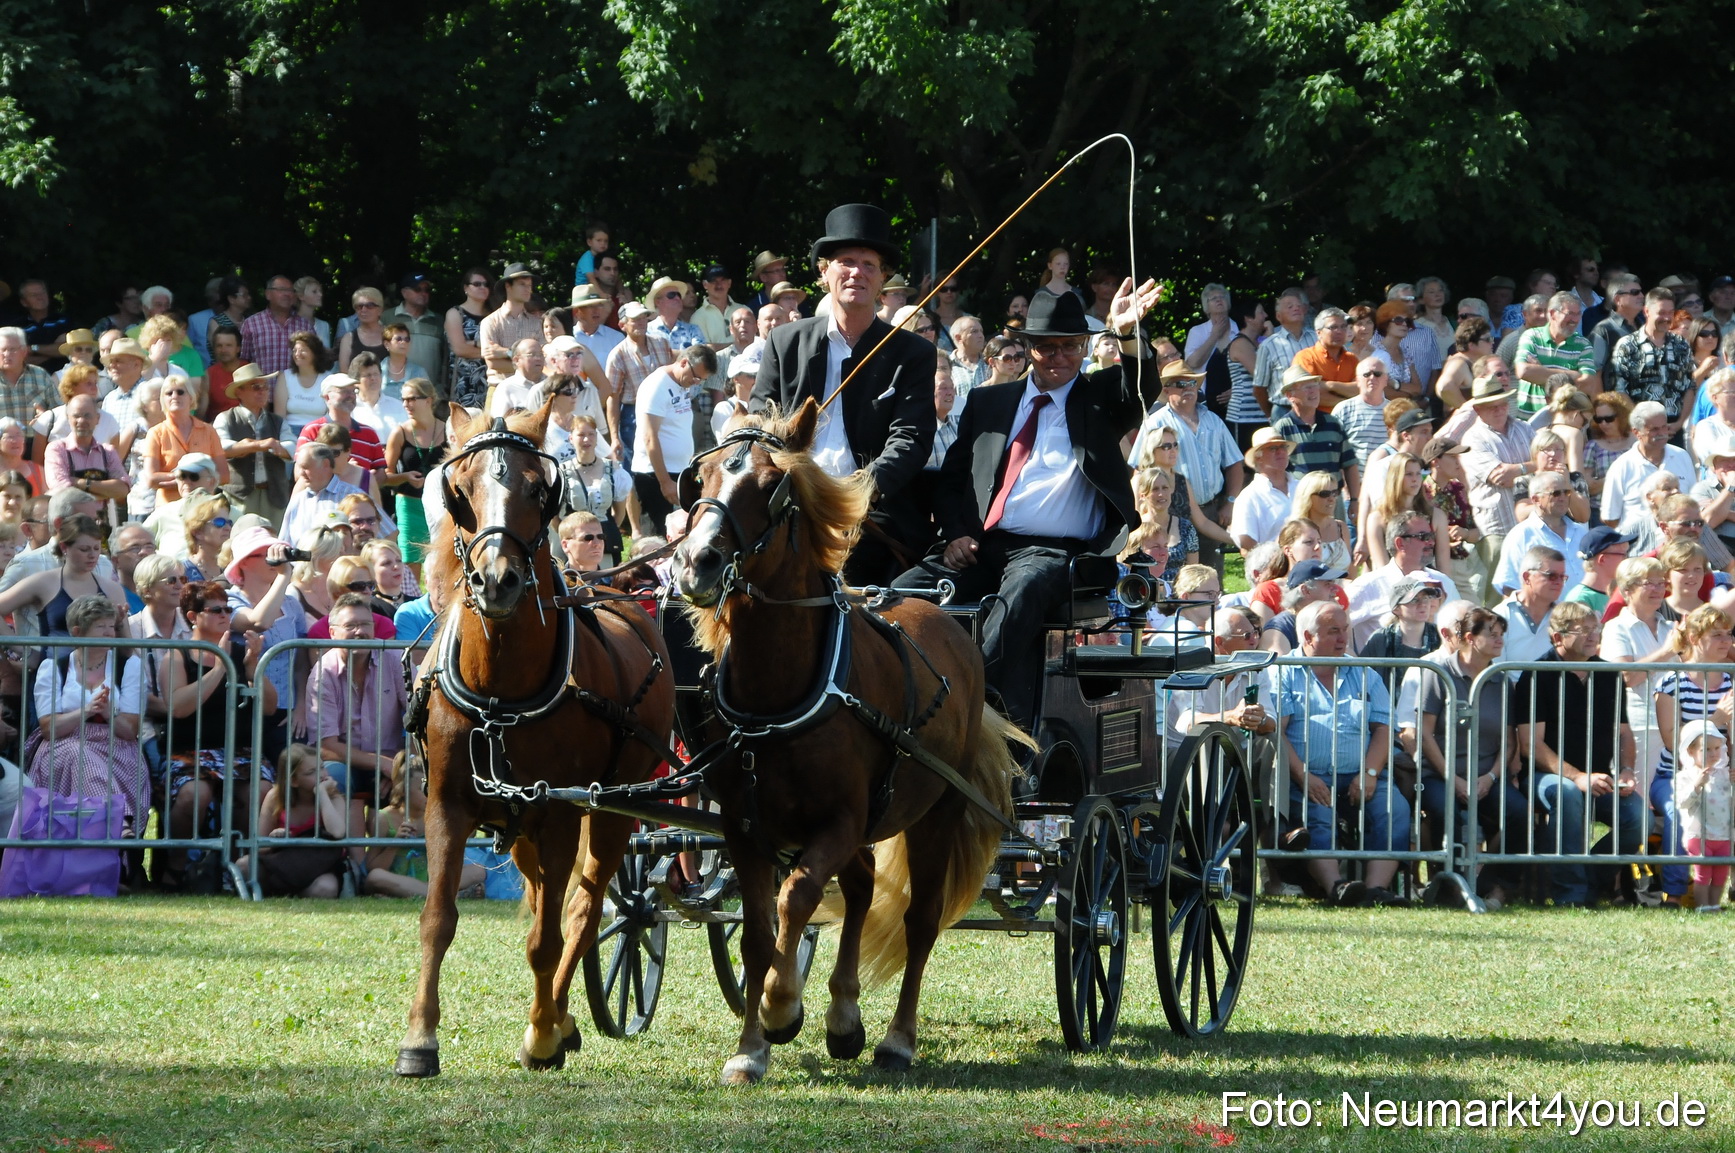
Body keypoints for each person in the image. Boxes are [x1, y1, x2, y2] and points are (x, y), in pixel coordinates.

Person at [897, 276, 1161, 726]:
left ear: (1083, 347)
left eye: (1071, 347)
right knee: (897, 593)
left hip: (1055, 554)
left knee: (1023, 588)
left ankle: (964, 700)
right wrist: (957, 533)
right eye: (1047, 348)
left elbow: (1141, 386)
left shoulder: (1099, 398)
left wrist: (1124, 332)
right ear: (1028, 349)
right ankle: (889, 693)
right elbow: (952, 480)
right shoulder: (988, 400)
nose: (1060, 357)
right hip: (982, 544)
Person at [754, 204, 954, 585]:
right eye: (846, 261)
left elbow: (910, 439)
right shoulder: (784, 341)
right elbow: (761, 421)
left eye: (868, 264)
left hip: (869, 511)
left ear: (882, 279)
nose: (856, 273)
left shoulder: (912, 352)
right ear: (823, 272)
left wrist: (857, 491)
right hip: (790, 500)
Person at [1271, 601, 1411, 907]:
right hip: (1305, 775)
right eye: (1333, 631)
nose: (1342, 638)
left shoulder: (1364, 672)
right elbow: (1275, 732)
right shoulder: (1282, 673)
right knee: (1317, 816)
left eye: (1345, 630)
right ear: (1307, 637)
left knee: (1394, 809)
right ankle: (1337, 888)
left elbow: (1384, 728)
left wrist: (1370, 773)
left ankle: (1374, 892)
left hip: (1361, 772)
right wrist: (1302, 775)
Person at [1510, 601, 1646, 907]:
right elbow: (1531, 744)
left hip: (1599, 777)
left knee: (1637, 817)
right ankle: (1570, 894)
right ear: (1557, 637)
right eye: (1582, 630)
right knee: (1568, 793)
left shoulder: (1608, 674)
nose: (1592, 635)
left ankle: (1591, 881)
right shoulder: (1537, 674)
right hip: (1545, 776)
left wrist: (1626, 770)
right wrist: (1578, 776)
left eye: (1595, 628)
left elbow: (1623, 733)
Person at [160, 580, 274, 876]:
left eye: (227, 608)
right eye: (215, 609)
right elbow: (178, 707)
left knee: (261, 791)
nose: (225, 614)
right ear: (192, 617)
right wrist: (220, 667)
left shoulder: (239, 653)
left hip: (239, 751)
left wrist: (253, 669)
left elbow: (270, 707)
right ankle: (174, 870)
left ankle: (236, 867)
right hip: (188, 750)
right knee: (193, 795)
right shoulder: (177, 655)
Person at [27, 596, 147, 832]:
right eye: (100, 627)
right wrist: (87, 711)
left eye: (111, 626)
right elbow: (50, 729)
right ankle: (119, 821)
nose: (109, 633)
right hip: (63, 744)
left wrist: (108, 713)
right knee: (78, 753)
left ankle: (115, 829)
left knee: (87, 759)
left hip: (116, 747)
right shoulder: (53, 668)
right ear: (77, 631)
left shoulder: (129, 666)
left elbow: (130, 731)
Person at [308, 593, 409, 857]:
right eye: (351, 626)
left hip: (392, 759)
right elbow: (326, 746)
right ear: (332, 632)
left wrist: (401, 766)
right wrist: (382, 765)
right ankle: (356, 868)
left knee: (419, 776)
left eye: (366, 625)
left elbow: (420, 720)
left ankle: (402, 866)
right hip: (345, 761)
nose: (360, 632)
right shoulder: (323, 672)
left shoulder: (395, 659)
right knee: (338, 777)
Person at [1649, 603, 1735, 907]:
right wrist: (1715, 721)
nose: (1728, 642)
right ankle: (1673, 895)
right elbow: (1674, 741)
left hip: (1722, 778)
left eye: (1729, 634)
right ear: (1696, 638)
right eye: (1718, 635)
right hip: (1675, 777)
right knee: (1679, 814)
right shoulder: (1672, 681)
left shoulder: (1730, 680)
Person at [1129, 360, 1242, 573]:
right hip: (1159, 522)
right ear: (1166, 389)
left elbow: (1234, 463)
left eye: (1192, 383)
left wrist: (1230, 502)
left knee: (1207, 577)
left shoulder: (1213, 420)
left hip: (1210, 510)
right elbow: (1139, 470)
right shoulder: (1154, 424)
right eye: (1180, 384)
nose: (1188, 388)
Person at [1459, 373, 1536, 604]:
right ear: (1478, 410)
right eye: (1492, 406)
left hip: (1530, 526)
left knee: (1531, 592)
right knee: (1495, 597)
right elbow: (1499, 477)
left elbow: (1548, 465)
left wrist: (1519, 469)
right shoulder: (1473, 438)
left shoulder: (1525, 428)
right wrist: (1535, 469)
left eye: (1503, 402)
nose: (1500, 409)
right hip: (1496, 529)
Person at [631, 344, 716, 532]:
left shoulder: (681, 383)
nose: (696, 383)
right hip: (655, 475)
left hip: (678, 471)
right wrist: (664, 482)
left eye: (702, 380)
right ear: (684, 362)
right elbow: (649, 437)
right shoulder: (657, 386)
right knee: (657, 537)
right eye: (696, 377)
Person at [1611, 288, 1695, 441]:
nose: (1667, 317)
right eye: (1661, 312)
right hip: (1641, 430)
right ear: (1647, 311)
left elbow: (1689, 386)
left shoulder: (1681, 345)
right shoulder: (1628, 345)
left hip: (1674, 428)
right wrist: (1642, 422)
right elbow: (1620, 389)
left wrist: (1680, 422)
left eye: (1670, 312)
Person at [213, 364, 292, 526]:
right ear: (239, 392)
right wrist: (260, 445)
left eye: (265, 387)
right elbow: (221, 448)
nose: (262, 391)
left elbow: (292, 448)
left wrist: (275, 447)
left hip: (274, 496)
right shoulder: (225, 418)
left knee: (275, 543)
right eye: (256, 387)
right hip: (239, 497)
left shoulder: (277, 421)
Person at [381, 378, 446, 574]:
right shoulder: (400, 432)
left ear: (428, 400)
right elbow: (385, 476)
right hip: (410, 506)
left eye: (411, 399)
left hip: (441, 506)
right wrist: (406, 477)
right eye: (403, 399)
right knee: (410, 563)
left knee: (443, 563)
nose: (405, 404)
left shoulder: (448, 429)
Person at [1599, 401, 1696, 529]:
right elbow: (1610, 517)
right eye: (1654, 430)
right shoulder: (1621, 466)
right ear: (1636, 432)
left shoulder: (1681, 456)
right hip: (1639, 543)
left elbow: (1694, 501)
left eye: (1664, 427)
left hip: (1679, 541)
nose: (1662, 433)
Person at [1493, 471, 1587, 595]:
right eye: (1556, 493)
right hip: (1547, 614)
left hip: (1587, 611)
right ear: (1536, 499)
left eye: (1567, 492)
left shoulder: (1581, 532)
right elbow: (1509, 585)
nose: (1563, 497)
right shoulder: (1521, 535)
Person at [1674, 720, 1732, 912]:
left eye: (1717, 748)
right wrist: (1696, 785)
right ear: (1690, 751)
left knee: (1720, 873)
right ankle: (1702, 905)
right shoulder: (1685, 776)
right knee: (1703, 873)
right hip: (1699, 835)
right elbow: (1682, 802)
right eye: (1706, 749)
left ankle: (1714, 905)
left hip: (1723, 834)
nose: (1713, 753)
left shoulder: (1724, 774)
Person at [558, 414, 631, 564]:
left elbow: (619, 512)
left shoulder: (613, 470)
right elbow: (554, 516)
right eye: (581, 435)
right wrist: (568, 537)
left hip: (605, 540)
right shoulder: (562, 473)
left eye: (591, 434)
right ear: (571, 438)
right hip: (574, 543)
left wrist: (602, 532)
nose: (587, 439)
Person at [1362, 452, 1447, 570]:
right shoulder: (1377, 518)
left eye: (1418, 474)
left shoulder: (1436, 516)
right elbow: (1382, 566)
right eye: (1409, 474)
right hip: (1391, 583)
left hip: (1427, 582)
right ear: (1395, 477)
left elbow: (1444, 566)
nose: (1415, 479)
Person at [43, 395, 128, 506]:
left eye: (87, 416)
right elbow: (61, 490)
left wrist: (81, 483)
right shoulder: (57, 449)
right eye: (76, 416)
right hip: (69, 521)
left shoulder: (108, 451)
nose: (81, 421)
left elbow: (123, 489)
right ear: (68, 418)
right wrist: (105, 493)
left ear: (97, 419)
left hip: (103, 521)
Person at [295, 373, 385, 471]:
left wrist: (363, 478)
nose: (351, 395)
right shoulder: (312, 430)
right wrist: (346, 471)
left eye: (353, 391)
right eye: (344, 391)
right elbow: (299, 472)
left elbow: (381, 474)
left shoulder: (369, 433)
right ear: (327, 397)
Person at [1251, 287, 1314, 416]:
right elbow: (1259, 388)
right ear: (1278, 316)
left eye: (1298, 306)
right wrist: (1271, 415)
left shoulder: (1317, 338)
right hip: (1284, 410)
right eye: (1290, 307)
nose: (1296, 308)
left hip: (1315, 408)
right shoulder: (1269, 345)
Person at [1228, 428, 1293, 551]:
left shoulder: (1303, 487)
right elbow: (1246, 542)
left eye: (1283, 446)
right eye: (1273, 448)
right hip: (1272, 566)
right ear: (1258, 457)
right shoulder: (1249, 497)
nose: (1280, 451)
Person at [239, 275, 316, 377]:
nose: (287, 294)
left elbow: (314, 360)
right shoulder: (252, 324)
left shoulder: (305, 326)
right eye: (281, 290)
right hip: (261, 390)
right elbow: (243, 362)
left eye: (291, 291)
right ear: (268, 294)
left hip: (294, 391)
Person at [1292, 306, 1358, 409]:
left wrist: (1330, 385)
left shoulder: (1352, 359)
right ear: (1319, 333)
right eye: (1333, 327)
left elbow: (1360, 390)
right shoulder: (1306, 358)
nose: (1339, 331)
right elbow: (1308, 395)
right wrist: (1347, 402)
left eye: (1343, 326)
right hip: (1317, 421)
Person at [446, 268, 493, 411]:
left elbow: (503, 345)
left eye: (486, 284)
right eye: (477, 284)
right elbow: (460, 349)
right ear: (466, 288)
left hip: (491, 380)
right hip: (463, 382)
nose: (483, 288)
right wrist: (493, 353)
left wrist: (474, 344)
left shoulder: (494, 315)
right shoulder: (455, 313)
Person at [0, 327, 57, 427]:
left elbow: (59, 412)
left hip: (38, 440)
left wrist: (47, 417)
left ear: (24, 351)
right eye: (3, 350)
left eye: (12, 350)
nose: (7, 354)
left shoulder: (40, 375)